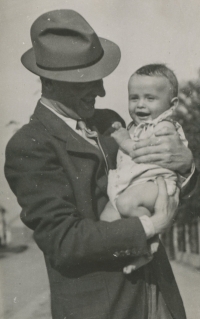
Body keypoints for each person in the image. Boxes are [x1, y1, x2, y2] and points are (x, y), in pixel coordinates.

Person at [4, 9, 197, 319]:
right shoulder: (30, 145)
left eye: (100, 79)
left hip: (156, 292)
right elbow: (64, 242)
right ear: (51, 82)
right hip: (103, 309)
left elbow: (159, 176)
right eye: (87, 82)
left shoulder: (111, 123)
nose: (102, 91)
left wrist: (186, 165)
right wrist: (150, 225)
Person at [101, 64, 189, 274]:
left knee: (126, 204)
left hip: (155, 183)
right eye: (134, 98)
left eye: (150, 98)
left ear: (172, 103)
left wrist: (124, 141)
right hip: (131, 183)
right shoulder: (135, 126)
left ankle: (150, 239)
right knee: (106, 219)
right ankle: (139, 250)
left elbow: (143, 151)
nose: (140, 105)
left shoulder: (165, 126)